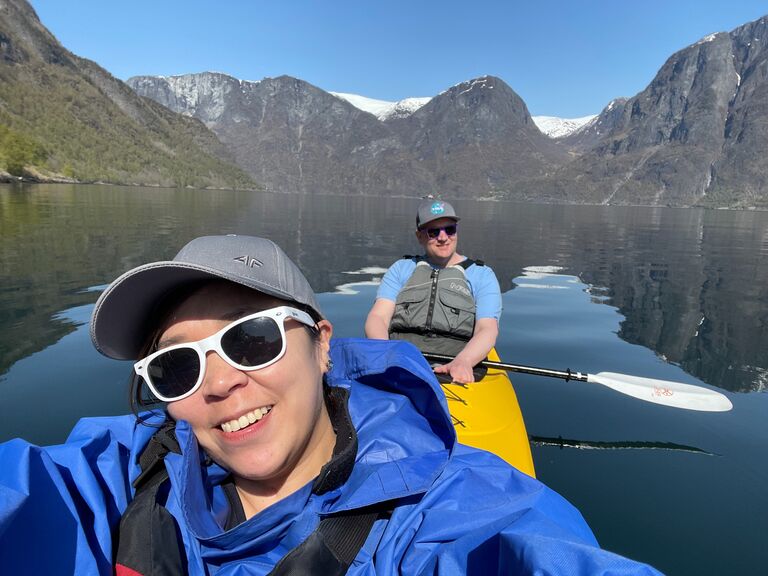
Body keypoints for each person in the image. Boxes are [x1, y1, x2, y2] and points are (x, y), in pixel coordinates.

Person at [0, 234, 662, 575]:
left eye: (250, 340)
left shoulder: (436, 520)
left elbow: (519, 553)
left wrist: (466, 357)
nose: (219, 383)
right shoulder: (123, 471)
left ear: (322, 348)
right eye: (176, 366)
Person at [365, 199, 500, 383]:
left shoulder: (482, 274)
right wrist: (387, 354)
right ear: (419, 236)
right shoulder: (401, 268)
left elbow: (487, 328)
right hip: (401, 361)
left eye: (449, 229)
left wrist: (464, 361)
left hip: (457, 364)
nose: (443, 237)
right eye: (433, 232)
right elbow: (378, 317)